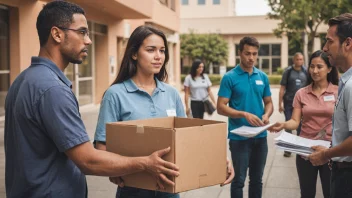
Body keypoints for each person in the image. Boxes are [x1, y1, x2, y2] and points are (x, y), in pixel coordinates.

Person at [4, 2, 180, 197]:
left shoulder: (23, 80)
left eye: (162, 50)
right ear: (57, 34)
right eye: (82, 32)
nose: (88, 40)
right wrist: (145, 163)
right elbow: (89, 160)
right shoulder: (52, 89)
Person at [93, 25, 234, 198]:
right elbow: (101, 147)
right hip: (134, 190)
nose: (158, 56)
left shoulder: (171, 93)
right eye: (151, 50)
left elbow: (187, 139)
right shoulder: (115, 94)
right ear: (134, 54)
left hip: (170, 190)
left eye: (162, 50)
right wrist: (116, 170)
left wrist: (218, 158)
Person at [269, 50, 339, 198]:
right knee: (307, 194)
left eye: (319, 67)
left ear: (329, 68)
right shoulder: (301, 93)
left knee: (330, 193)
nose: (314, 71)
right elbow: (295, 121)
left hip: (329, 152)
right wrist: (282, 125)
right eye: (312, 66)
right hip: (305, 151)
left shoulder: (338, 92)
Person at [217, 36, 273, 198]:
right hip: (239, 138)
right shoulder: (230, 77)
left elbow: (269, 103)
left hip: (260, 136)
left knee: (257, 180)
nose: (251, 58)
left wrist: (267, 114)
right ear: (240, 53)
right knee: (238, 180)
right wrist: (243, 114)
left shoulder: (262, 77)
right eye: (247, 53)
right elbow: (220, 107)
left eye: (255, 54)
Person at [309, 13, 352, 198]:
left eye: (329, 41)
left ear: (347, 43)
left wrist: (326, 154)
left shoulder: (351, 86)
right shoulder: (345, 82)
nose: (325, 48)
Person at [278, 52, 309, 157]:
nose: (300, 61)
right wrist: (279, 104)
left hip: (302, 104)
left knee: (300, 127)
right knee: (288, 125)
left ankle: (300, 149)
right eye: (298, 59)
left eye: (301, 59)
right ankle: (288, 149)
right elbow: (282, 88)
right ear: (294, 60)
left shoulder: (306, 71)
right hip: (289, 103)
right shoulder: (288, 72)